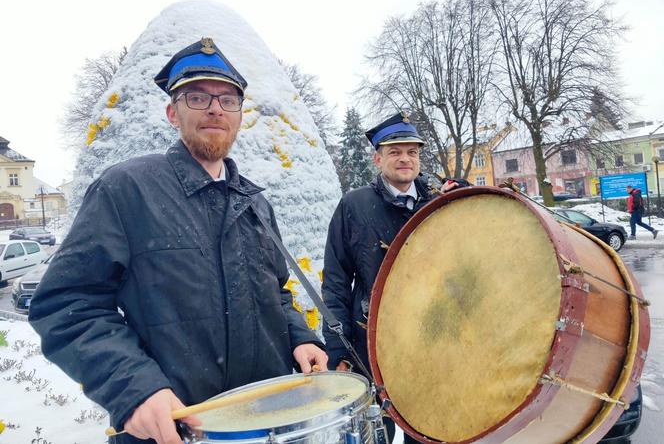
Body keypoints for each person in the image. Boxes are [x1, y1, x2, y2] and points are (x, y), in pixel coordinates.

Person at [29, 37, 327, 444]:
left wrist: (300, 338)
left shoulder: (255, 203)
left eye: (228, 99)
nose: (215, 108)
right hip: (174, 433)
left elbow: (275, 295)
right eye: (198, 97)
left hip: (264, 425)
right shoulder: (126, 190)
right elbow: (67, 304)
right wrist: (135, 390)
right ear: (172, 113)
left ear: (240, 116)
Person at [321, 112, 468, 443]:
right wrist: (337, 348)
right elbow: (336, 281)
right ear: (378, 158)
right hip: (372, 344)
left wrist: (467, 199)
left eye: (412, 152)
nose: (405, 159)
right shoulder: (354, 206)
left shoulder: (440, 199)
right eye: (395, 152)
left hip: (434, 342)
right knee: (375, 432)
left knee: (434, 430)